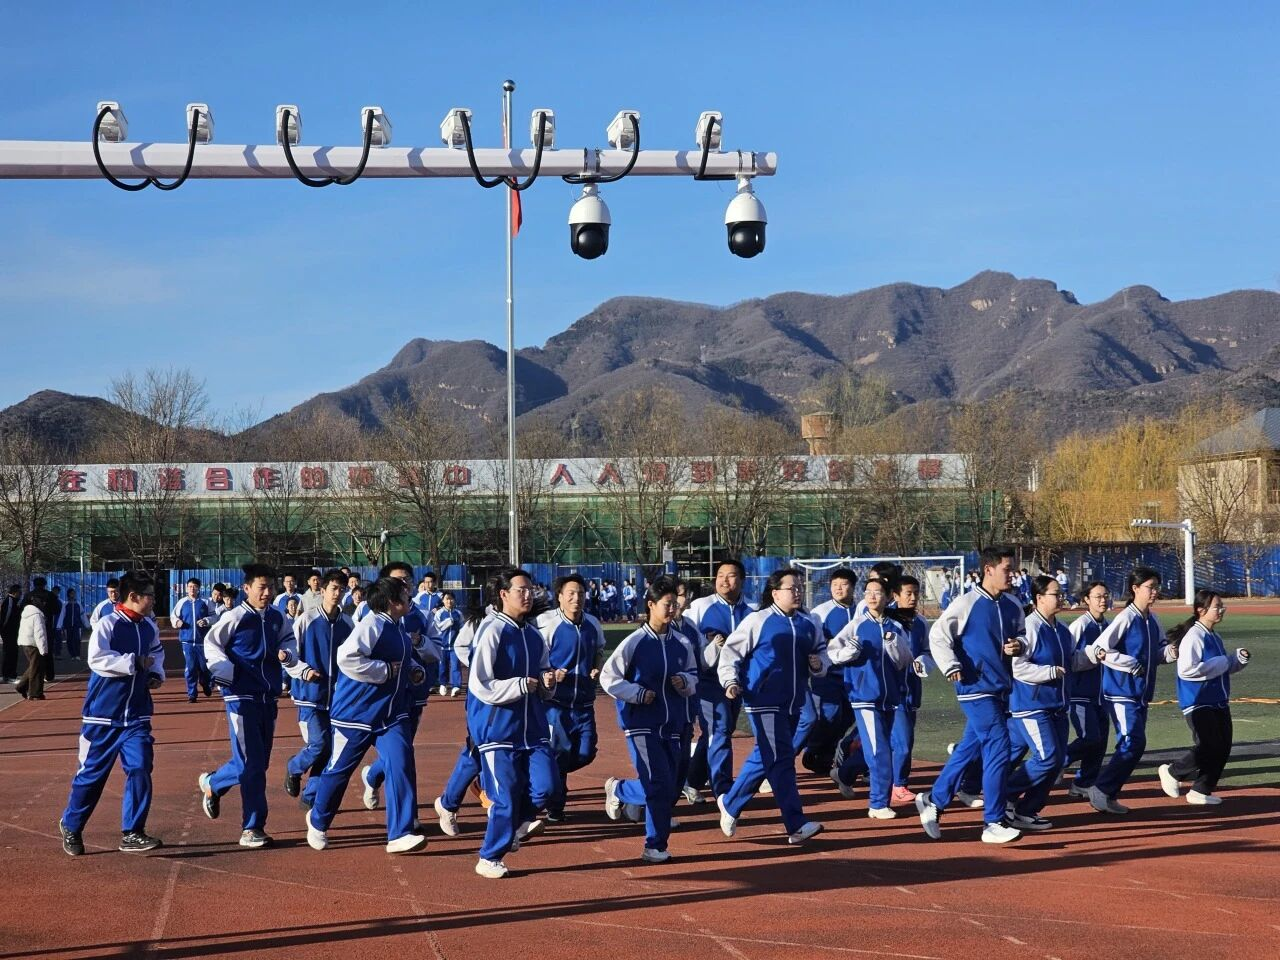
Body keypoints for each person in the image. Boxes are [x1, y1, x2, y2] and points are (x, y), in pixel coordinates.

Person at [306, 576, 430, 854]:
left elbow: (400, 659)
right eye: (404, 593)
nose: (409, 597)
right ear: (391, 601)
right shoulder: (372, 624)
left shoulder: (398, 625)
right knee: (338, 772)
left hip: (391, 715)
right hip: (355, 716)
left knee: (401, 764)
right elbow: (346, 657)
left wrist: (413, 669)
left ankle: (400, 833)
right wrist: (384, 671)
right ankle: (317, 821)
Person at [915, 545, 1026, 845]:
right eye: (1007, 569)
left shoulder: (1013, 604)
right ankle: (993, 821)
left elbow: (1022, 635)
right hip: (974, 687)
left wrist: (1020, 646)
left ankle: (934, 799)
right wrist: (951, 665)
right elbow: (938, 635)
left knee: (969, 748)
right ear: (988, 569)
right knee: (999, 745)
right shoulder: (965, 604)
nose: (1012, 575)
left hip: (1002, 688)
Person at [716, 567, 827, 845]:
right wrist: (730, 680)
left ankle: (730, 802)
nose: (798, 592)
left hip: (793, 702)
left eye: (800, 587)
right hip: (763, 700)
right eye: (792, 588)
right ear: (775, 593)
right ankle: (796, 824)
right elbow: (731, 652)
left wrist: (819, 664)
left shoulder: (808, 622)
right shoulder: (758, 620)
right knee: (781, 760)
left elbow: (822, 653)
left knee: (764, 756)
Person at [57, 572, 166, 856]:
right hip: (102, 717)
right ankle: (71, 825)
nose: (153, 600)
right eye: (150, 595)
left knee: (140, 767)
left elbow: (157, 653)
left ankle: (133, 832)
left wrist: (156, 673)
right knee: (91, 777)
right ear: (133, 596)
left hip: (137, 715)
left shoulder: (149, 627)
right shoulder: (107, 624)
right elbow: (97, 660)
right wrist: (133, 662)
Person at [199, 563, 306, 849]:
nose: (267, 592)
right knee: (252, 764)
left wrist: (288, 656)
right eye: (262, 587)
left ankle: (213, 783)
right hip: (240, 696)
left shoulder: (276, 617)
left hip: (267, 696)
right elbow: (212, 644)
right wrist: (224, 672)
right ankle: (252, 827)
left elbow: (289, 640)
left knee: (258, 762)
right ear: (247, 589)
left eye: (271, 587)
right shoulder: (235, 617)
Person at [466, 568, 559, 879]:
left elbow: (543, 675)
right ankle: (489, 856)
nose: (528, 595)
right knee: (504, 798)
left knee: (546, 787)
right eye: (521, 590)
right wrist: (519, 685)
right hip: (498, 730)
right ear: (503, 594)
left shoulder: (533, 635)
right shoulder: (492, 631)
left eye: (531, 589)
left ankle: (514, 826)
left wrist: (547, 682)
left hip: (532, 728)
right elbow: (480, 684)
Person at [601, 575, 698, 862]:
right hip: (641, 723)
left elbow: (694, 675)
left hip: (674, 723)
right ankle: (655, 845)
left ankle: (620, 789)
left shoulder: (682, 641)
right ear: (651, 605)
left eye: (675, 604)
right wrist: (637, 693)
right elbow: (609, 678)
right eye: (667, 604)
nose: (672, 609)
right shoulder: (635, 642)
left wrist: (685, 681)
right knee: (657, 784)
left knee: (670, 786)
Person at [1004, 575, 1102, 831]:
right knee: (1046, 757)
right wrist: (1048, 672)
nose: (1061, 598)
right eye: (1055, 594)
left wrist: (1093, 655)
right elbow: (1019, 668)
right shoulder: (1029, 627)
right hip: (1031, 705)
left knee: (1057, 761)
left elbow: (1072, 662)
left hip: (1058, 706)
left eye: (1061, 593)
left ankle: (1027, 810)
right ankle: (1005, 794)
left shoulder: (1062, 630)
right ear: (1039, 598)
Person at [1086, 566, 1175, 815]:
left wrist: (1173, 652)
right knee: (1132, 742)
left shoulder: (1153, 620)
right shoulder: (1126, 617)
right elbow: (1100, 649)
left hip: (1141, 693)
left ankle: (1107, 791)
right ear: (1135, 588)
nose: (1155, 591)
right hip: (1120, 692)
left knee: (1132, 744)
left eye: (1156, 587)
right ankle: (1101, 789)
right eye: (1150, 587)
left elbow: (1158, 654)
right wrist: (1129, 663)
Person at [360, 561, 439, 817]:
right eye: (397, 581)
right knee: (398, 752)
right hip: (382, 694)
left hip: (412, 693)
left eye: (407, 580)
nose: (404, 585)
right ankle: (406, 817)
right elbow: (356, 654)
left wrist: (420, 641)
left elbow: (437, 650)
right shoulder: (369, 613)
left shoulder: (422, 615)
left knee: (403, 751)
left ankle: (374, 777)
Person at [1158, 589, 1252, 806]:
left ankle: (1201, 790)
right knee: (1210, 745)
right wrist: (1224, 661)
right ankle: (1173, 772)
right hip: (1198, 701)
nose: (1221, 610)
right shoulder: (1194, 636)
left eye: (1222, 606)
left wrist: (1237, 661)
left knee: (1223, 746)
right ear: (1201, 610)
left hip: (1218, 700)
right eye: (1217, 606)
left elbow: (1221, 668)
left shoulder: (1214, 636)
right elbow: (1187, 670)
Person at [828, 577, 910, 819]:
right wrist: (849, 652)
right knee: (878, 751)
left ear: (888, 597)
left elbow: (904, 661)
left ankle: (848, 777)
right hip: (864, 697)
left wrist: (894, 645)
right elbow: (833, 653)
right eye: (868, 592)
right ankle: (878, 803)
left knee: (885, 747)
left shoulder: (896, 627)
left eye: (877, 592)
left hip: (889, 698)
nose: (872, 596)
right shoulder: (856, 625)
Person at [535, 575, 606, 822]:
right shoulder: (547, 623)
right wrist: (551, 674)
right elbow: (537, 660)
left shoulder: (593, 623)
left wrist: (596, 668)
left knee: (586, 753)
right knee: (559, 753)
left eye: (581, 594)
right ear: (560, 597)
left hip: (585, 704)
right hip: (556, 705)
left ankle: (547, 776)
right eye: (571, 594)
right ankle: (555, 807)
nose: (577, 598)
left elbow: (599, 651)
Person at [684, 559, 754, 803]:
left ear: (742, 580)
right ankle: (723, 789)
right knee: (720, 729)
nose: (724, 580)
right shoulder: (700, 607)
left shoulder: (753, 611)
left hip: (738, 682)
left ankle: (691, 779)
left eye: (731, 575)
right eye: (720, 575)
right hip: (708, 683)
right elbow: (685, 638)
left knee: (718, 732)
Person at [285, 570, 354, 809]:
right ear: (322, 591)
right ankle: (294, 766)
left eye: (342, 589)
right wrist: (304, 671)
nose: (337, 593)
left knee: (330, 750)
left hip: (338, 698)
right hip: (310, 695)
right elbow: (290, 652)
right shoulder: (306, 620)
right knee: (319, 744)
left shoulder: (348, 623)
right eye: (333, 588)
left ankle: (310, 796)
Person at [433, 596, 493, 838]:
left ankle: (507, 807)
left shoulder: (526, 621)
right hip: (483, 700)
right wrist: (479, 668)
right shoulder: (482, 620)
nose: (526, 595)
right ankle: (449, 804)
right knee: (477, 752)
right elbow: (460, 646)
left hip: (517, 699)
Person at [799, 568, 858, 774]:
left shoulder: (861, 610)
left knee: (849, 716)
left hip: (853, 676)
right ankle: (812, 749)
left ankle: (827, 752)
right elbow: (814, 641)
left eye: (844, 584)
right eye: (834, 585)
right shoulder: (821, 612)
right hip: (828, 673)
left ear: (853, 587)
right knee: (830, 714)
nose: (838, 589)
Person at [887, 575, 932, 805]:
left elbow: (927, 651)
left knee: (898, 742)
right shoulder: (885, 621)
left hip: (912, 690)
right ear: (895, 596)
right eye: (908, 593)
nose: (913, 597)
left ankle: (847, 770)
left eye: (916, 593)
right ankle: (899, 785)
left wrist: (923, 661)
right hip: (891, 692)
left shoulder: (921, 622)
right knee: (903, 744)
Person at [1064, 581, 1111, 798]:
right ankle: (1058, 761)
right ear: (1086, 599)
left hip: (1102, 695)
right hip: (1080, 694)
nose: (1103, 600)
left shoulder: (1109, 626)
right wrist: (1092, 658)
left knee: (1100, 742)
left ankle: (1083, 783)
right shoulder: (1080, 625)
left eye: (1106, 596)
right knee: (1089, 738)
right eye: (1098, 596)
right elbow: (1069, 659)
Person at [170, 578, 215, 702]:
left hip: (203, 641)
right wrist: (177, 622)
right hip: (187, 641)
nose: (192, 589)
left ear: (199, 588)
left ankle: (205, 683)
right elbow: (173, 616)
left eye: (194, 586)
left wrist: (206, 621)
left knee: (204, 668)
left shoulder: (206, 602)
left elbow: (215, 616)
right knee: (190, 668)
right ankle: (192, 694)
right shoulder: (182, 602)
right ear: (186, 588)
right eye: (190, 586)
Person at [15, 587, 53, 700]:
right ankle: (35, 693)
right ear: (38, 602)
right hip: (34, 644)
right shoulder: (37, 615)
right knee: (38, 668)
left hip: (25, 642)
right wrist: (43, 649)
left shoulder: (27, 612)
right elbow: (39, 633)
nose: (44, 604)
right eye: (43, 602)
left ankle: (22, 686)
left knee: (34, 665)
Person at [434, 592, 464, 696]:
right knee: (443, 667)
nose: (449, 601)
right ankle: (443, 684)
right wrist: (447, 622)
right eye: (447, 599)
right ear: (443, 601)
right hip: (442, 646)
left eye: (451, 599)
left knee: (456, 666)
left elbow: (462, 628)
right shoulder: (439, 613)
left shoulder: (458, 613)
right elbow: (436, 628)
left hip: (455, 646)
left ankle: (456, 686)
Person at [57, 588, 85, 660]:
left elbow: (82, 615)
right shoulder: (65, 604)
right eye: (71, 593)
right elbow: (62, 615)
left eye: (74, 593)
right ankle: (72, 655)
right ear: (68, 594)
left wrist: (87, 624)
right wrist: (59, 625)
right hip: (68, 626)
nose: (73, 595)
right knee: (69, 640)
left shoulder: (78, 604)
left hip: (77, 626)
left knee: (77, 639)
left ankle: (77, 655)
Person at [1, 584, 21, 682]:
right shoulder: (9, 601)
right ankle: (8, 675)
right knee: (9, 653)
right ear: (15, 592)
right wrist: (3, 630)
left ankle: (11, 674)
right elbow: (5, 617)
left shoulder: (15, 601)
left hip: (13, 632)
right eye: (19, 592)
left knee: (13, 652)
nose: (21, 594)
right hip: (9, 632)